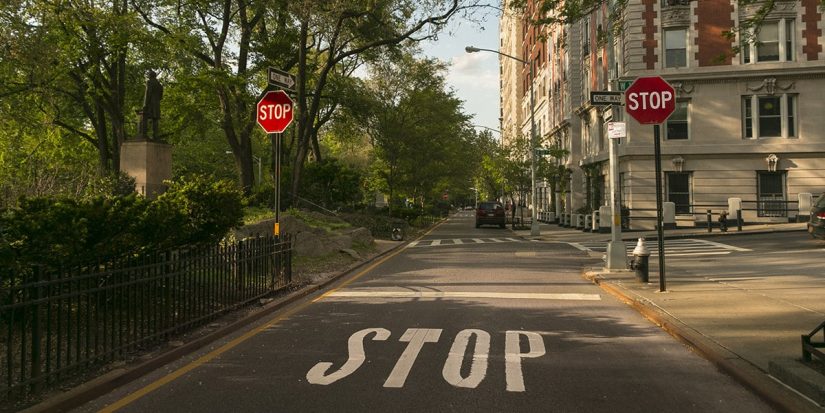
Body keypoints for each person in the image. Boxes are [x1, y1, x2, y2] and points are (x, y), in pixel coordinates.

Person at [142, 70, 163, 140]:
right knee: (155, 119)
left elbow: (148, 93)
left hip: (150, 103)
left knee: (144, 117)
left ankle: (143, 134)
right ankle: (155, 135)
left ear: (150, 76)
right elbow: (161, 96)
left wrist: (145, 104)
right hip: (157, 104)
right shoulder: (159, 84)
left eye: (148, 75)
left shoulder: (149, 82)